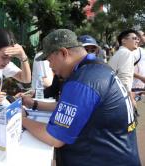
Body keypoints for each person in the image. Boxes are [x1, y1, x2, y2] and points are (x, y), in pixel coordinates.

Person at [21, 29, 140, 165]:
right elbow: (69, 107)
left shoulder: (82, 81)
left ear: (63, 53)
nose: (50, 66)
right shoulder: (97, 67)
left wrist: (21, 120)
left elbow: (54, 137)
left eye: (50, 60)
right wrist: (34, 104)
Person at [108, 29, 139, 106]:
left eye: (138, 39)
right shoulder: (127, 53)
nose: (137, 41)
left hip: (112, 93)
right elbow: (124, 78)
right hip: (120, 96)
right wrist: (130, 98)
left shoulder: (119, 53)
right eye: (134, 38)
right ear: (124, 41)